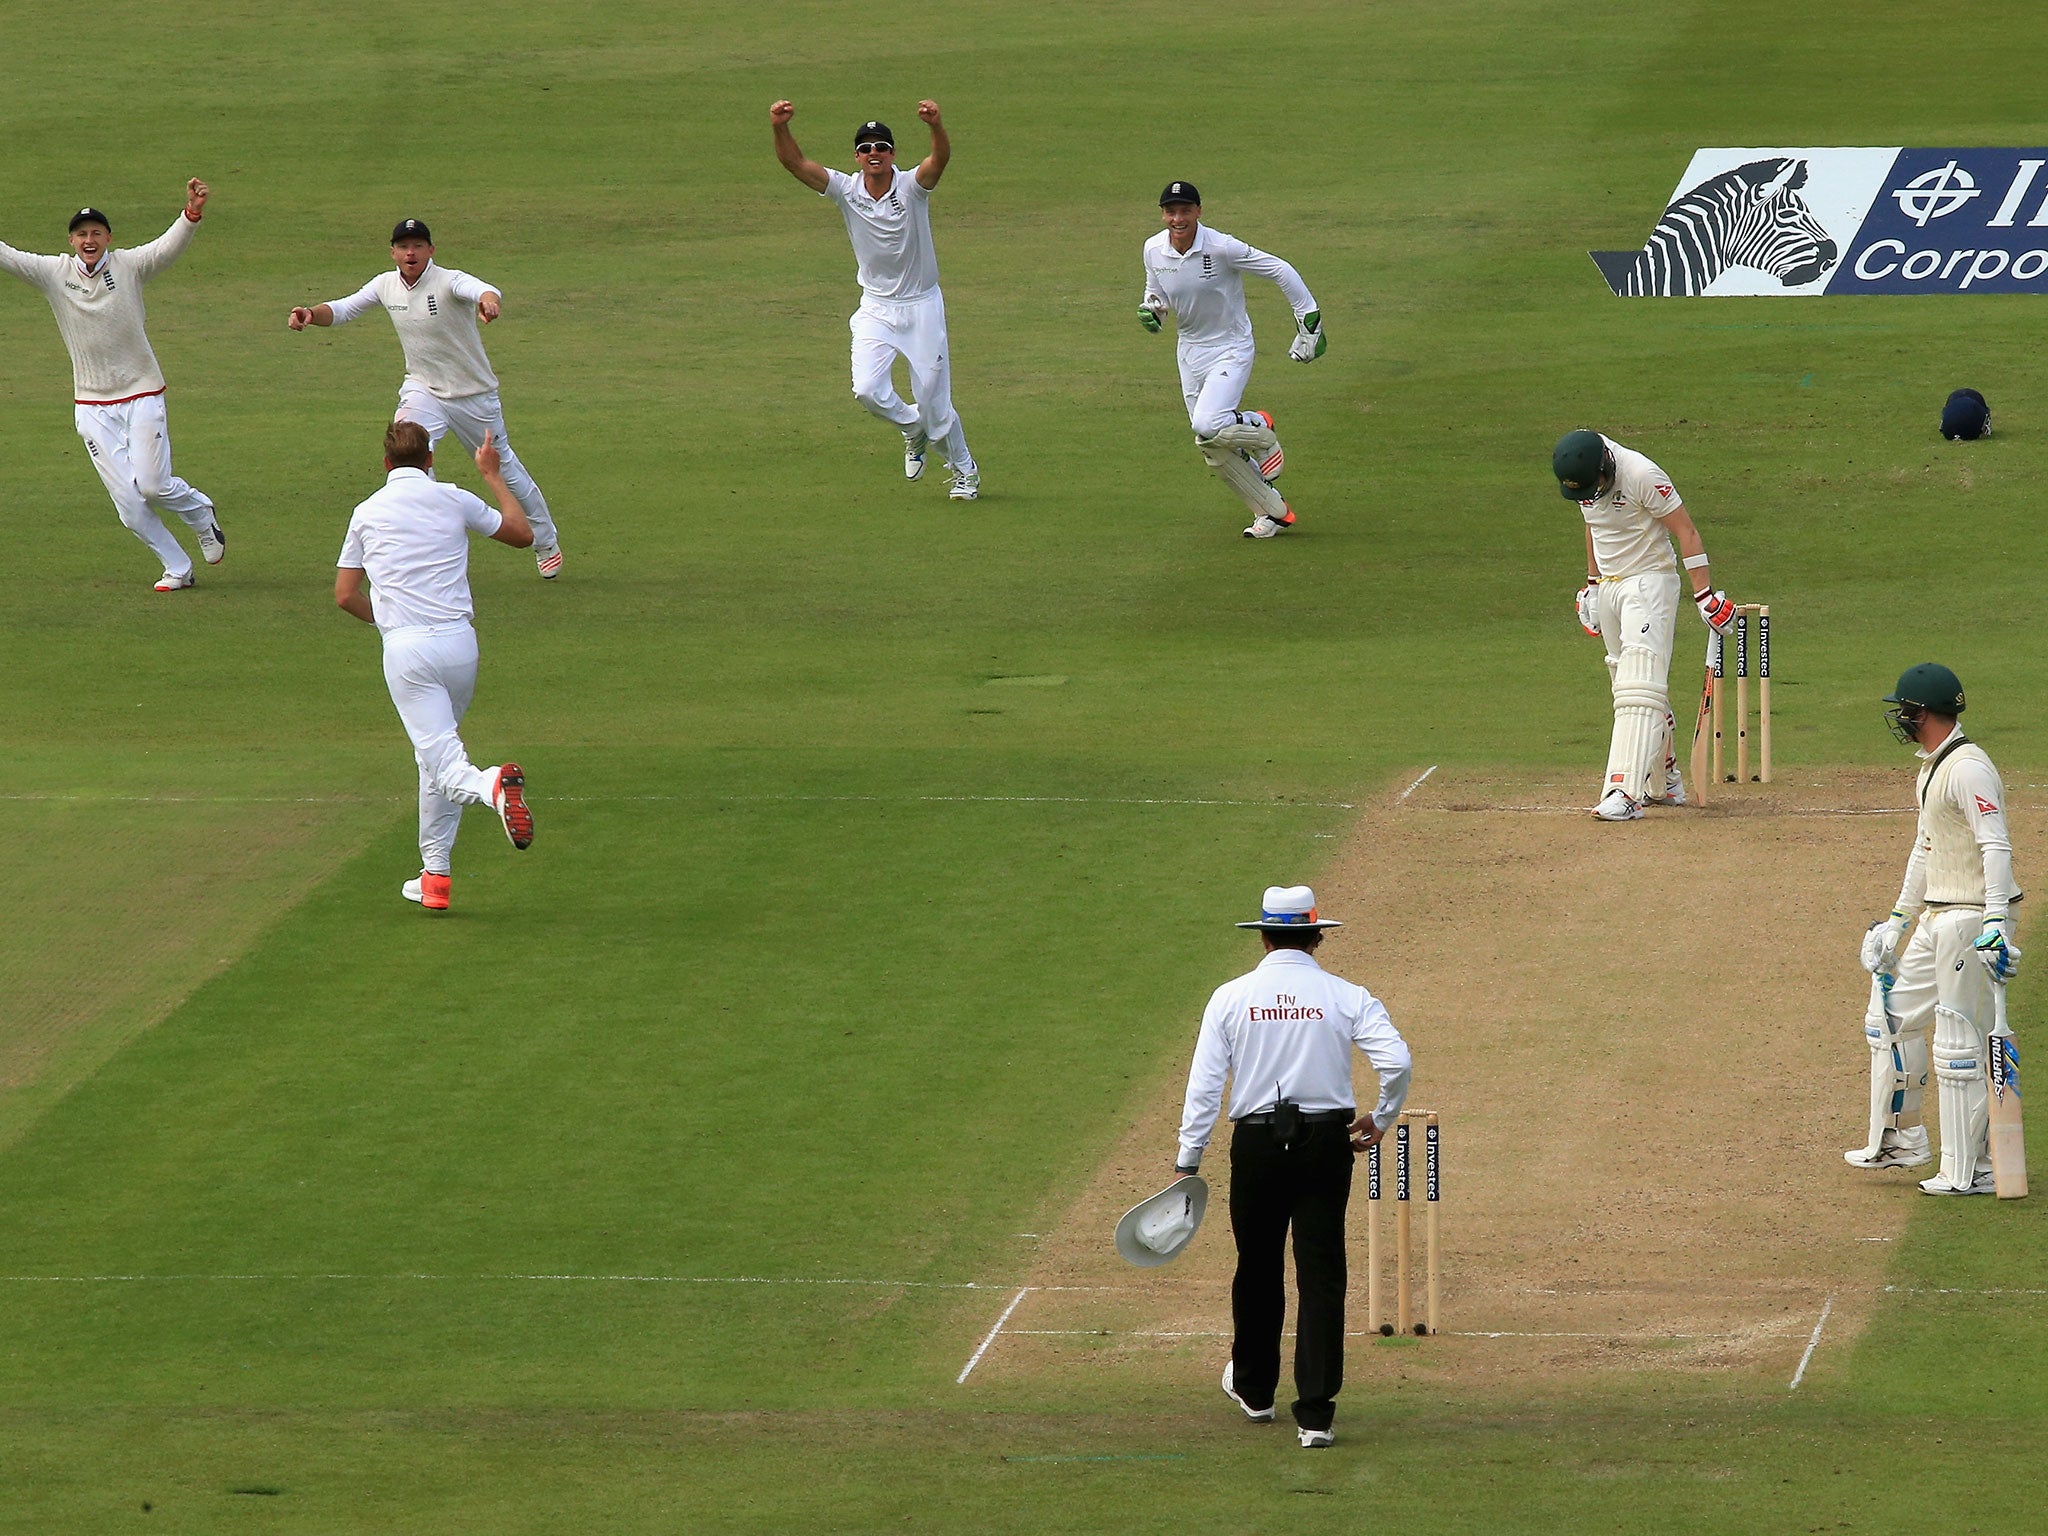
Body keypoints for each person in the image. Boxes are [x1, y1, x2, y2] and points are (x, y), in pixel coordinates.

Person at [1174, 885, 1411, 1449]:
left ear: (1262, 936)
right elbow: (1396, 1060)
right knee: (1321, 1274)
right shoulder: (1345, 995)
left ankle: (1255, 1393)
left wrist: (1189, 1157)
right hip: (1327, 1145)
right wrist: (1380, 1119)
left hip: (1255, 1146)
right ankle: (1316, 1417)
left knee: (1257, 1266)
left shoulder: (1230, 997)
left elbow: (1206, 1086)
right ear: (1317, 935)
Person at [336, 421, 537, 912]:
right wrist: (491, 474)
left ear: (386, 464)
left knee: (447, 767)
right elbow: (523, 534)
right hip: (460, 647)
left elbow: (345, 596)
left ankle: (492, 786)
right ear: (430, 460)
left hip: (407, 651)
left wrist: (385, 628)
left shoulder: (366, 512)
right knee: (436, 754)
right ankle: (435, 876)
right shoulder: (453, 498)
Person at [290, 220, 564, 578]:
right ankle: (429, 541)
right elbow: (343, 309)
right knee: (408, 454)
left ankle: (545, 541)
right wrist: (310, 315)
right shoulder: (384, 284)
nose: (410, 253)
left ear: (431, 250)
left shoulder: (448, 280)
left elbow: (482, 289)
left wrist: (488, 302)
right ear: (392, 253)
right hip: (423, 389)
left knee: (505, 468)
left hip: (473, 394)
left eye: (418, 245)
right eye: (403, 247)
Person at [0, 180, 225, 591]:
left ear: (108, 238)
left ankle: (199, 511)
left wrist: (190, 214)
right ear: (72, 240)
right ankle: (178, 568)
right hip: (91, 404)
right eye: (83, 234)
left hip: (141, 392)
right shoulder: (54, 273)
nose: (90, 240)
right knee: (130, 507)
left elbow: (165, 249)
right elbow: (9, 257)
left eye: (97, 233)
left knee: (154, 485)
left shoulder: (128, 266)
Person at [1849, 664, 2022, 1193]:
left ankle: (1972, 1169)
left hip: (1971, 916)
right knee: (1889, 1020)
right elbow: (1924, 849)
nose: (1899, 717)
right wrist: (1898, 921)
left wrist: (1995, 921)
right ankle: (1903, 1140)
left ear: (1920, 712)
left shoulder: (1969, 769)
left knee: (1956, 1043)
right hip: (1936, 914)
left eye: (1904, 708)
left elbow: (1995, 846)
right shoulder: (1930, 768)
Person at [770, 99, 981, 501]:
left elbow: (939, 160)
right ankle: (910, 427)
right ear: (857, 157)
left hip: (922, 306)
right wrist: (780, 128)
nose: (874, 154)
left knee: (936, 408)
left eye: (881, 147)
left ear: (892, 154)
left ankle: (964, 469)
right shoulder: (846, 190)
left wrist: (936, 125)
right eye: (866, 148)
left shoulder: (911, 188)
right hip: (876, 308)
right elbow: (796, 164)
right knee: (867, 389)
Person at [1553, 428, 1737, 820]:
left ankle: (1624, 791)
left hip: (1649, 583)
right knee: (1627, 685)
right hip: (1611, 585)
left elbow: (1686, 531)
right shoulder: (1587, 479)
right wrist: (1591, 585)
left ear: (1607, 467)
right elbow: (1594, 525)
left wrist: (1704, 594)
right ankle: (1664, 783)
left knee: (1639, 687)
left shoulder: (1642, 474)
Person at [1138, 182, 1326, 539]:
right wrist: (1152, 310)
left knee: (1208, 424)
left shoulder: (1223, 247)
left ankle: (1259, 428)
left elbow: (1280, 269)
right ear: (1163, 213)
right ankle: (1269, 512)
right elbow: (1155, 292)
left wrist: (1309, 321)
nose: (1177, 219)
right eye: (1170, 211)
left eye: (1185, 210)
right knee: (1210, 442)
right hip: (1190, 351)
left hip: (1231, 347)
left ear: (1198, 211)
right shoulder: (1152, 249)